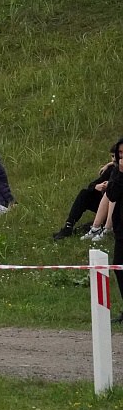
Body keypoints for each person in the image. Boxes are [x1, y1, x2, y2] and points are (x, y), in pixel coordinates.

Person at [52, 146, 118, 240]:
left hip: (117, 206)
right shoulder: (112, 169)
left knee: (111, 192)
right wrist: (96, 186)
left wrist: (111, 185)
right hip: (105, 204)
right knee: (85, 194)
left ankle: (102, 227)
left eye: (117, 156)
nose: (114, 159)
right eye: (112, 157)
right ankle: (69, 225)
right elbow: (92, 184)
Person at [103, 138, 123, 322]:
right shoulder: (118, 171)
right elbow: (111, 194)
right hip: (121, 229)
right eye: (120, 154)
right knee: (119, 266)